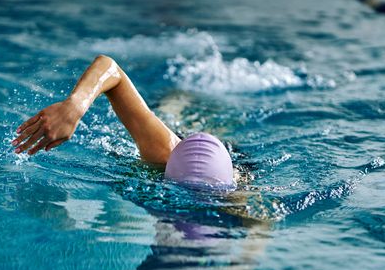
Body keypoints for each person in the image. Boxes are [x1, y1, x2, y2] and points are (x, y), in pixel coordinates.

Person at [12, 55, 235, 188]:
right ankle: (182, 95)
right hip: (177, 147)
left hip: (223, 160)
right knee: (172, 110)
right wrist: (75, 106)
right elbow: (109, 68)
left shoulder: (240, 200)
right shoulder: (162, 153)